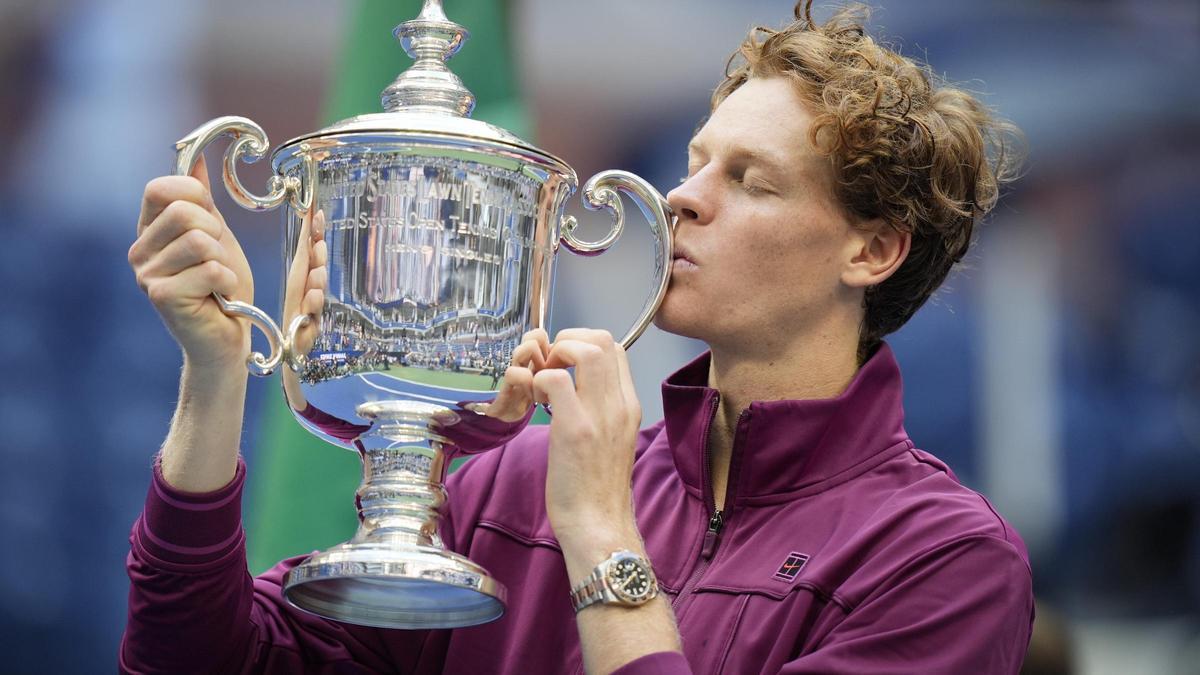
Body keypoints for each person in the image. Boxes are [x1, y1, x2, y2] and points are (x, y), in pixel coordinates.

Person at [121, 2, 1031, 673]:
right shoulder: (508, 485)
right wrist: (215, 371)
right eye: (695, 162)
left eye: (750, 180)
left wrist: (600, 527)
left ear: (871, 249)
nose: (683, 198)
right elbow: (195, 660)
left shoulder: (942, 559)